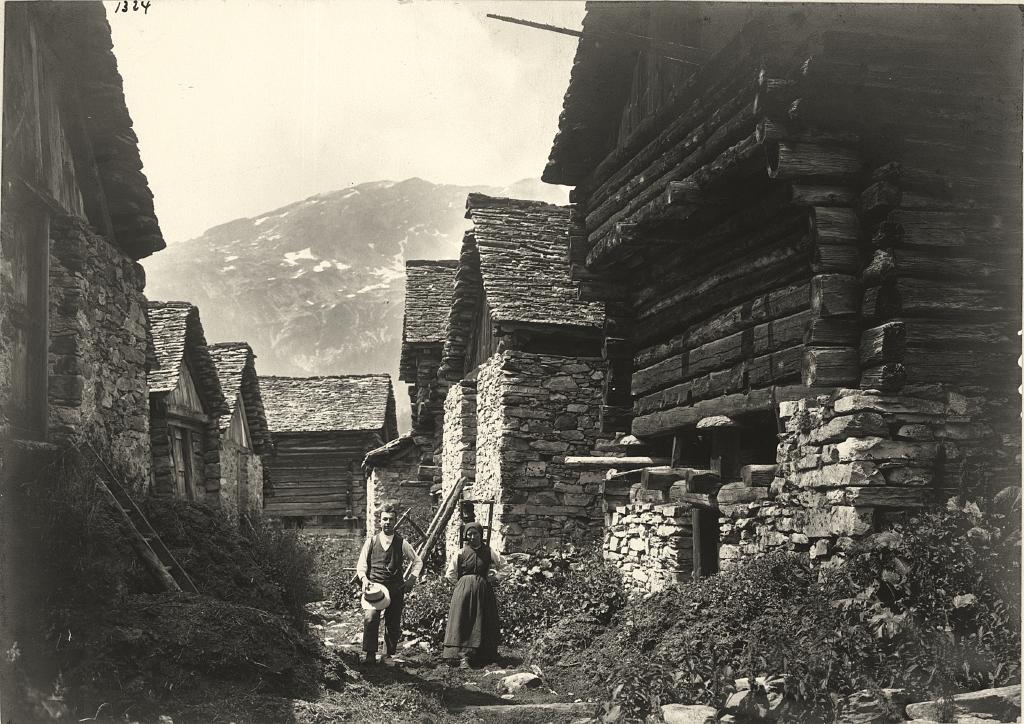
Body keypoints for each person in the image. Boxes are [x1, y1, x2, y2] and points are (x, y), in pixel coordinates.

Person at [355, 502, 423, 665]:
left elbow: (418, 561)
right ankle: (370, 654)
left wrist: (411, 579)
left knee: (393, 623)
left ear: (395, 521)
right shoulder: (371, 542)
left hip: (395, 588)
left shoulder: (402, 543)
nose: (387, 522)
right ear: (380, 521)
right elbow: (361, 566)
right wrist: (364, 580)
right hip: (375, 588)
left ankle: (387, 655)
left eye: (391, 519)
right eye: (385, 519)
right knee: (371, 618)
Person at [442, 521, 508, 668]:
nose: (472, 537)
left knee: (483, 620)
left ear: (481, 535)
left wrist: (495, 578)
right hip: (463, 593)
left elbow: (504, 566)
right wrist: (461, 584)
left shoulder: (489, 551)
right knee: (463, 620)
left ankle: (483, 655)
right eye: (469, 534)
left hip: (483, 592)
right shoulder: (461, 552)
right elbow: (450, 573)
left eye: (475, 534)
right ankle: (462, 657)